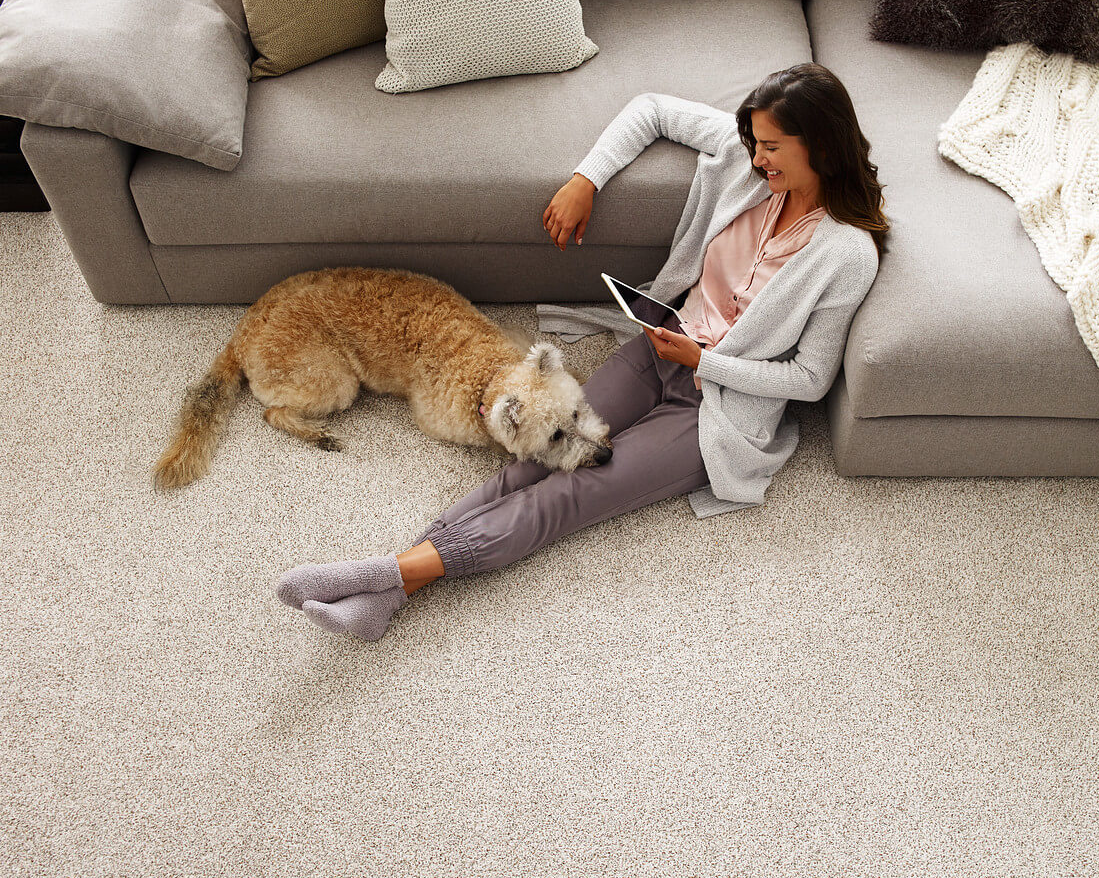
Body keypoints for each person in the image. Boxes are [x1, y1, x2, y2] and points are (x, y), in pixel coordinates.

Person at [274, 62, 889, 641]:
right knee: (536, 460)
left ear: (823, 148)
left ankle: (380, 577)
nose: (756, 159)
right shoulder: (744, 162)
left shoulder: (846, 254)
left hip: (717, 408)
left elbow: (809, 379)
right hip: (659, 347)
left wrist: (704, 363)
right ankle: (390, 592)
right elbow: (650, 108)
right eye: (754, 142)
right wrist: (585, 179)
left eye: (772, 148)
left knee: (571, 492)